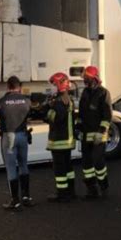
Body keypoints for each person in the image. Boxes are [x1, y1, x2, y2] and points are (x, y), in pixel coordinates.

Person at [0, 76, 34, 210]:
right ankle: (26, 197)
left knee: (11, 168)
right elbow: (30, 116)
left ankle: (15, 200)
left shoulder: (0, 103)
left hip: (9, 137)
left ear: (8, 86)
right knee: (23, 165)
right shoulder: (27, 101)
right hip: (23, 135)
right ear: (18, 87)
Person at [77, 66, 112, 199]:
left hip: (98, 135)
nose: (85, 81)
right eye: (85, 78)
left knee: (98, 162)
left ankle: (104, 187)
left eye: (87, 78)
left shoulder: (104, 93)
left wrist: (101, 131)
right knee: (86, 165)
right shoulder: (85, 92)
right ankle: (92, 190)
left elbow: (107, 114)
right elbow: (81, 112)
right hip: (86, 134)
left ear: (94, 78)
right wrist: (78, 128)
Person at [46, 72, 76, 202]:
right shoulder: (67, 98)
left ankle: (62, 194)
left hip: (59, 140)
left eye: (53, 84)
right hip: (67, 140)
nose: (51, 87)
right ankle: (71, 192)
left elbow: (55, 118)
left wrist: (47, 111)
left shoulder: (59, 101)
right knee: (68, 167)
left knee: (59, 169)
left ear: (59, 84)